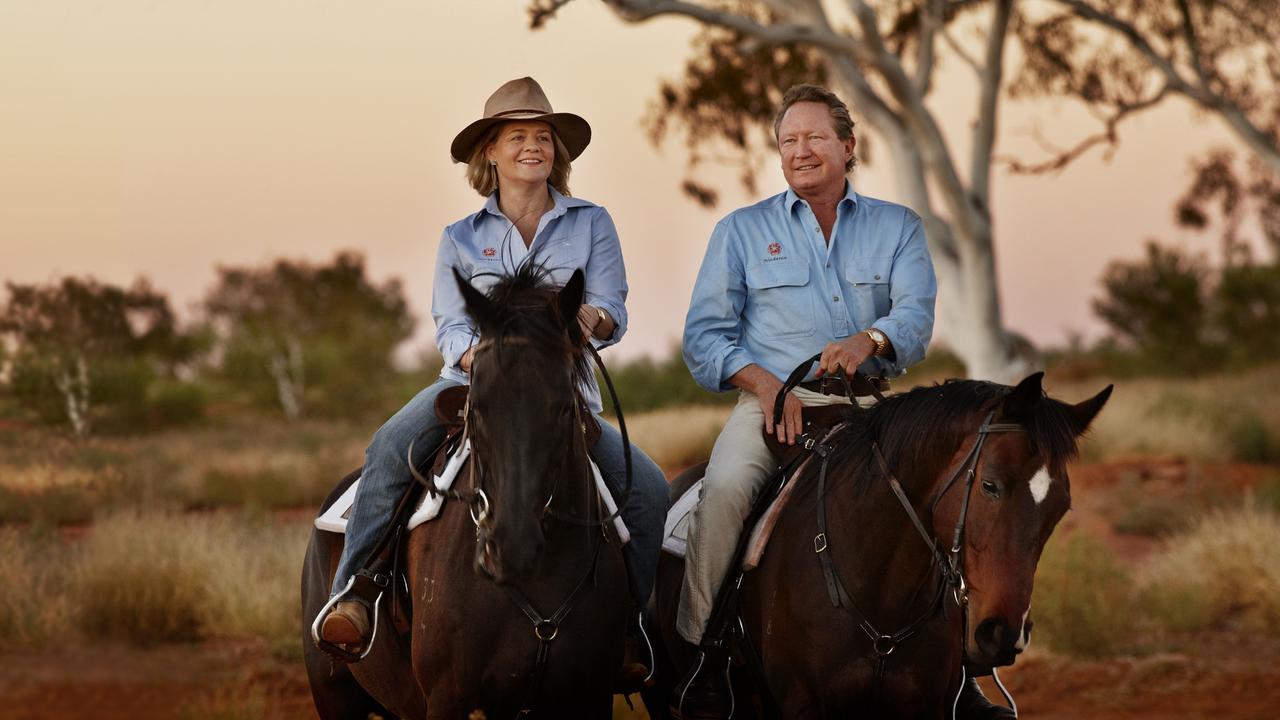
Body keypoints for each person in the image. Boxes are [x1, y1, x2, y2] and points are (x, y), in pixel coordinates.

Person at [317, 77, 668, 685]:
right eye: (517, 137)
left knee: (650, 491)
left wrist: (594, 316)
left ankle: (627, 623)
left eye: (542, 136)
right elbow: (449, 325)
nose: (533, 146)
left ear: (557, 151)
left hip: (561, 397)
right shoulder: (460, 238)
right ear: (491, 153)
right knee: (388, 448)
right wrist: (477, 355)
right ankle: (357, 590)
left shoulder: (593, 224)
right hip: (475, 389)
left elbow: (613, 308)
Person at [676, 84, 1010, 718]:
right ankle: (702, 658)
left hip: (872, 408)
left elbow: (914, 315)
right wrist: (766, 386)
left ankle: (960, 673)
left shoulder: (898, 226)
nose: (800, 151)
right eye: (788, 141)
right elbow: (704, 339)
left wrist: (872, 337)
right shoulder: (741, 232)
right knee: (723, 489)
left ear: (847, 146)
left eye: (814, 138)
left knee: (940, 502)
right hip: (773, 403)